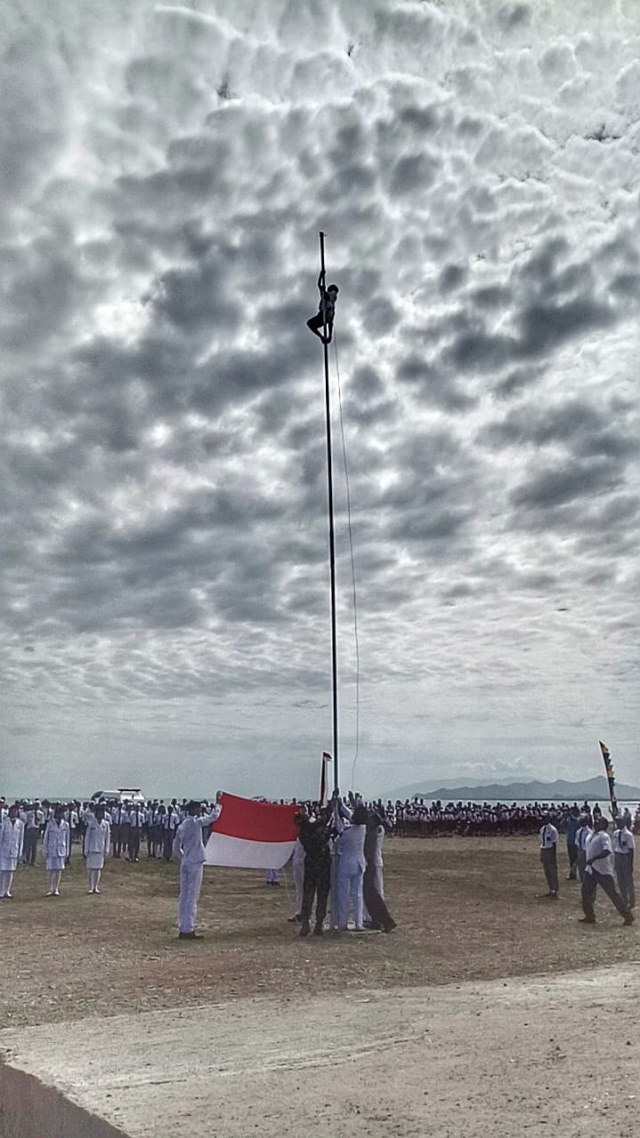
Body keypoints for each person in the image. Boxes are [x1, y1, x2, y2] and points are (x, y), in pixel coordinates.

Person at [173, 795, 222, 939]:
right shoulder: (195, 823)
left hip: (186, 862)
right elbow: (213, 817)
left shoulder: (182, 825)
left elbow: (175, 848)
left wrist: (184, 858)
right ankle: (188, 928)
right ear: (193, 810)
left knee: (184, 895)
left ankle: (183, 925)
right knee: (192, 896)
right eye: (198, 808)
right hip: (194, 862)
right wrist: (219, 804)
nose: (200, 810)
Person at [580, 816, 634, 925]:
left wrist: (594, 858)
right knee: (585, 892)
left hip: (602, 871)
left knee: (613, 894)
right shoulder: (590, 835)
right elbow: (586, 850)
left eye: (598, 822)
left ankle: (628, 916)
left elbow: (607, 851)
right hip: (590, 869)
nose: (595, 823)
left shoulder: (604, 837)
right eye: (595, 821)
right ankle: (590, 916)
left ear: (603, 825)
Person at [296, 805, 333, 937]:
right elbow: (327, 832)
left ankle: (306, 923)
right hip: (322, 865)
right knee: (322, 895)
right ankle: (318, 923)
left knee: (308, 895)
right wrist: (326, 813)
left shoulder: (303, 833)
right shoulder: (319, 830)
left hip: (311, 865)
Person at [363, 808, 396, 933]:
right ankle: (378, 920)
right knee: (372, 893)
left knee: (374, 893)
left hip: (371, 864)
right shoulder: (375, 829)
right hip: (373, 863)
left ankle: (383, 920)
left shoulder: (374, 831)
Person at [335, 803, 368, 930]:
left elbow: (339, 826)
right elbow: (351, 816)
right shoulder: (363, 829)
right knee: (357, 895)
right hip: (359, 864)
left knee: (343, 894)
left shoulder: (347, 833)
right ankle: (358, 923)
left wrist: (336, 809)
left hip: (345, 864)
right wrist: (341, 804)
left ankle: (342, 923)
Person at [42, 806, 71, 896]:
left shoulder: (66, 825)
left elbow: (67, 839)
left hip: (61, 849)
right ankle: (50, 888)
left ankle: (56, 888)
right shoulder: (50, 824)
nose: (60, 815)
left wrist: (67, 851)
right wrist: (45, 850)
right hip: (52, 849)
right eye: (59, 813)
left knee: (59, 870)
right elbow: (46, 838)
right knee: (51, 870)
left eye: (61, 813)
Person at [83, 805, 111, 894]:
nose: (101, 814)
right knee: (91, 869)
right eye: (99, 812)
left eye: (102, 813)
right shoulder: (91, 824)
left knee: (98, 869)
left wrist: (107, 849)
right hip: (92, 848)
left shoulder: (106, 824)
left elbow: (107, 837)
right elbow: (87, 837)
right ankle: (90, 887)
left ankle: (96, 887)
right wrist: (86, 849)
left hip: (100, 848)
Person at [306, 273, 339, 344]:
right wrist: (321, 276)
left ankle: (325, 337)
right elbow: (319, 286)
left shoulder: (333, 293)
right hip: (324, 313)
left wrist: (322, 290)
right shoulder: (328, 294)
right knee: (310, 324)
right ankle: (322, 337)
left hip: (327, 312)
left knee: (312, 323)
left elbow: (326, 296)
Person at [0, 805, 24, 898]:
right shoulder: (4, 823)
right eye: (13, 811)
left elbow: (21, 839)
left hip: (14, 850)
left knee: (10, 872)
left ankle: (7, 891)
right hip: (4, 850)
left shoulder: (20, 824)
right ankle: (1, 891)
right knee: (2, 871)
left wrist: (20, 852)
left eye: (16, 811)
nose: (14, 813)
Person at [612, 813, 635, 911]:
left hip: (625, 856)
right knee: (620, 880)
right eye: (617, 821)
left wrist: (630, 864)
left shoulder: (628, 834)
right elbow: (615, 846)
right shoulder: (616, 833)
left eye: (620, 821)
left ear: (624, 822)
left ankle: (632, 901)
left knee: (628, 880)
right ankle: (624, 899)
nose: (618, 823)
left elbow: (631, 850)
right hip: (617, 855)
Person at [538, 814, 559, 898]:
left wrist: (553, 856)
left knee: (553, 871)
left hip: (550, 850)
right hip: (544, 850)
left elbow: (554, 843)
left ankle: (555, 891)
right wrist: (541, 854)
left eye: (544, 818)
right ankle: (551, 889)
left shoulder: (553, 830)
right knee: (547, 871)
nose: (543, 820)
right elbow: (541, 843)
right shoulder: (542, 829)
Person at [564, 805, 581, 880]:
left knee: (576, 859)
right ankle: (572, 874)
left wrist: (571, 817)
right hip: (569, 841)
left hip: (575, 843)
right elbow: (562, 825)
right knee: (571, 859)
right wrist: (565, 818)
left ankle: (576, 874)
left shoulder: (579, 819)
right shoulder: (568, 819)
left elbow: (578, 822)